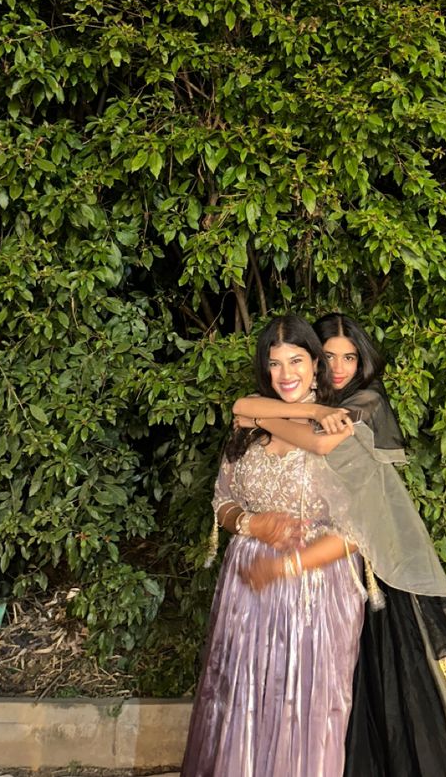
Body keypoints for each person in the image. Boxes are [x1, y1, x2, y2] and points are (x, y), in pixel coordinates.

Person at [233, 313, 446, 777]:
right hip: (327, 575)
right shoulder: (313, 400)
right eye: (328, 356)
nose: (339, 367)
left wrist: (269, 415)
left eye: (350, 357)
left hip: (369, 567)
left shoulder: (362, 403)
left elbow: (316, 443)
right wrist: (296, 409)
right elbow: (244, 408)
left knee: (391, 686)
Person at [180, 314, 365, 777]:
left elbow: (358, 531)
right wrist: (249, 523)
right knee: (238, 699)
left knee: (304, 708)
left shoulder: (342, 428)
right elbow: (221, 498)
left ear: (316, 365)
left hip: (315, 589)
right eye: (275, 363)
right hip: (246, 588)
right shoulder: (248, 426)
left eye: (297, 361)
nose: (286, 374)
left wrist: (286, 567)